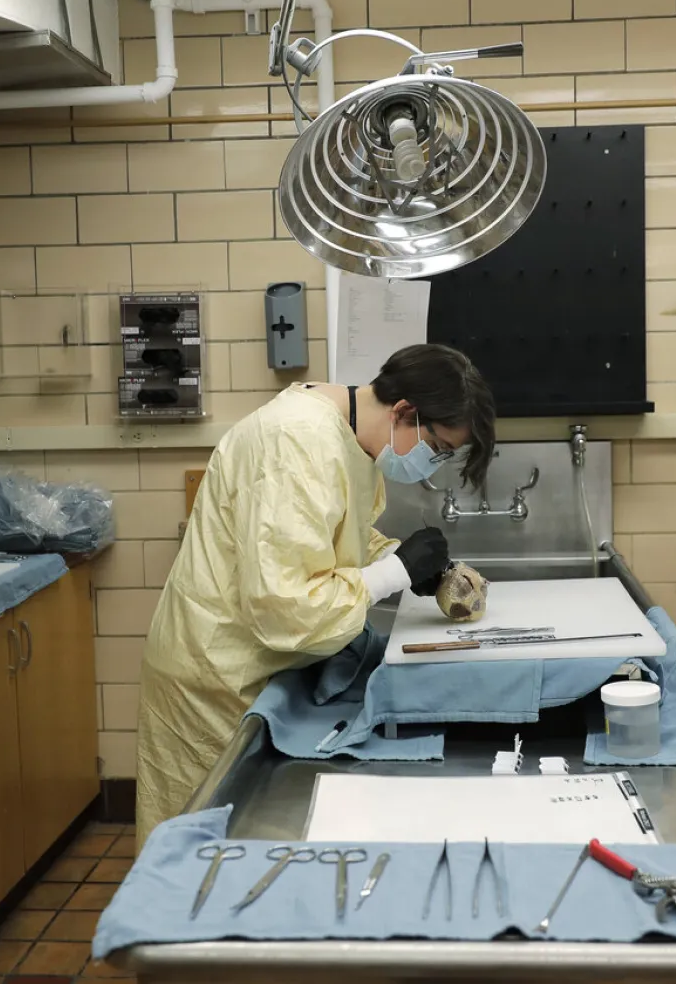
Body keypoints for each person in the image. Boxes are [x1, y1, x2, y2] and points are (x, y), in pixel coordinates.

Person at [134, 344, 496, 844]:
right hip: (216, 678)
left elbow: (328, 537)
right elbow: (287, 609)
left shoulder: (347, 435)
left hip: (250, 665)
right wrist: (394, 573)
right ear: (404, 412)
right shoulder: (297, 441)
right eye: (436, 448)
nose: (430, 466)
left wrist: (406, 563)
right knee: (197, 854)